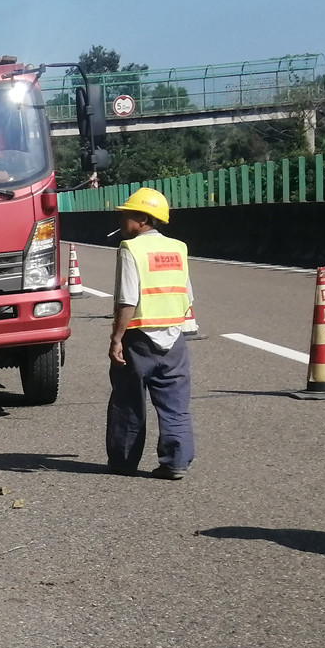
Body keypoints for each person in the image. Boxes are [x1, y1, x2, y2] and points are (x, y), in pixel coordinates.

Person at [107, 188, 195, 479]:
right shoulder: (179, 248)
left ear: (143, 218)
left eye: (126, 213)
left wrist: (117, 339)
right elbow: (188, 295)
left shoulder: (130, 248)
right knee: (175, 404)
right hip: (174, 337)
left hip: (138, 338)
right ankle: (175, 463)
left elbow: (127, 300)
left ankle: (123, 461)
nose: (121, 217)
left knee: (128, 401)